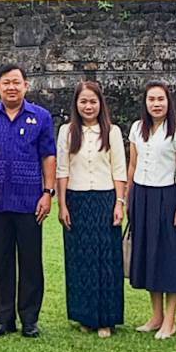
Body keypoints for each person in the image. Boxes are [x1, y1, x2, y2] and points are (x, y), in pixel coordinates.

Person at [0, 65, 56, 339]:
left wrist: (48, 192)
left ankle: (30, 319)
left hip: (30, 200)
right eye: (6, 83)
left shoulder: (40, 117)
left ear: (26, 86)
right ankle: (4, 319)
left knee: (31, 261)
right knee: (2, 261)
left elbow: (48, 156)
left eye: (16, 82)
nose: (11, 87)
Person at [126, 81, 176, 340]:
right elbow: (132, 166)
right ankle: (155, 315)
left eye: (161, 99)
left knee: (169, 256)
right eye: (151, 99)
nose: (156, 104)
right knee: (148, 254)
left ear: (169, 102)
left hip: (168, 196)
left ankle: (170, 319)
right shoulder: (137, 128)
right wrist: (127, 199)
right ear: (145, 103)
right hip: (142, 195)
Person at [56, 79, 127, 338]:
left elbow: (119, 170)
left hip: (105, 198)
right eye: (83, 101)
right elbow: (62, 170)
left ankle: (106, 318)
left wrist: (120, 203)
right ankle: (85, 315)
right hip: (76, 199)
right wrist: (62, 204)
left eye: (93, 101)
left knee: (106, 259)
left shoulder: (112, 131)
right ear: (76, 104)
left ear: (101, 104)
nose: (88, 106)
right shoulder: (67, 131)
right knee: (80, 259)